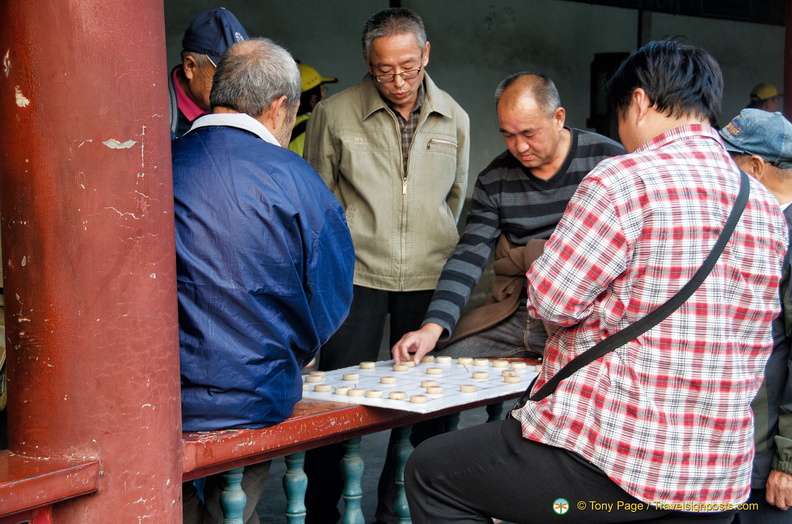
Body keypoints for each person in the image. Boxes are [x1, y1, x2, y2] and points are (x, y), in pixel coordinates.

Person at [405, 40, 788, 524]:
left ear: (641, 101)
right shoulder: (762, 206)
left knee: (430, 473)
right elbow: (758, 339)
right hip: (715, 475)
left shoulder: (622, 177)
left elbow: (553, 302)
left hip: (612, 463)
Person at [173, 38, 355, 524]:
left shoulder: (157, 164)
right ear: (279, 107)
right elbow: (332, 297)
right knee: (232, 508)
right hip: (260, 393)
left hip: (161, 397)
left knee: (178, 502)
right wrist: (288, 353)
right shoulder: (297, 179)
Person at [301, 7, 469, 524]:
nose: (397, 81)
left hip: (428, 276)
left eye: (408, 68)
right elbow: (319, 201)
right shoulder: (336, 114)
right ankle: (323, 514)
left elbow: (455, 198)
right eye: (383, 71)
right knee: (335, 404)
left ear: (425, 55)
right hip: (356, 276)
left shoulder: (454, 118)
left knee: (430, 409)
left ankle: (405, 511)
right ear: (368, 63)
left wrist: (428, 241)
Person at [392, 72, 624, 365]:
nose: (520, 147)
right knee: (440, 365)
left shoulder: (608, 161)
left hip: (582, 318)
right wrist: (431, 327)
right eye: (508, 134)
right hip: (514, 314)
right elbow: (468, 256)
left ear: (558, 118)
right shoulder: (494, 178)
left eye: (529, 133)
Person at [720, 109, 792, 522]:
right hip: (735, 445)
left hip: (769, 459)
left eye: (726, 162)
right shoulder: (755, 225)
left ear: (755, 167)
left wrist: (787, 459)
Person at [168, 7, 248, 138]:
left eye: (240, 76)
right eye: (223, 76)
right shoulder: (154, 113)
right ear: (190, 66)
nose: (234, 89)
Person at [288, 64, 337, 156]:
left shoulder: (281, 124)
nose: (324, 96)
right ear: (313, 98)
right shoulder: (318, 126)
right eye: (322, 90)